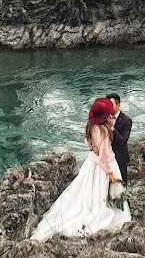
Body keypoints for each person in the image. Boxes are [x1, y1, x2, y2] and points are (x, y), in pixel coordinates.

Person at [30, 98, 131, 242]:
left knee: (85, 190)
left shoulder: (91, 126)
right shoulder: (104, 131)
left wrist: (92, 147)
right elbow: (104, 156)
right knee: (102, 192)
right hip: (104, 167)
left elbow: (87, 142)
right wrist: (110, 174)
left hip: (90, 164)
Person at [106, 93, 132, 185]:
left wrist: (112, 128)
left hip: (120, 158)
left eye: (111, 104)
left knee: (122, 185)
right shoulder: (103, 118)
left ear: (118, 105)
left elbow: (123, 141)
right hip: (106, 158)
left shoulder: (126, 120)